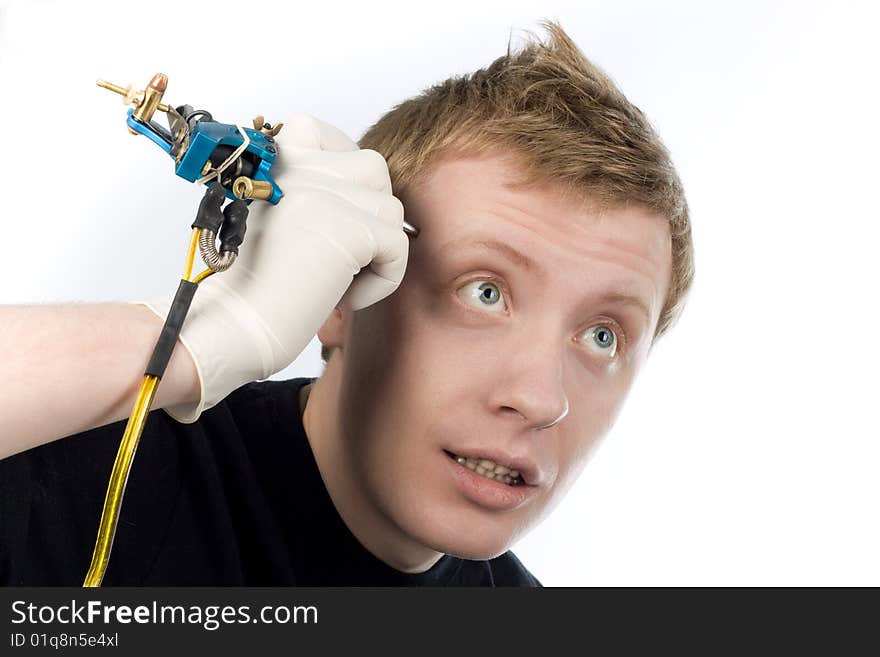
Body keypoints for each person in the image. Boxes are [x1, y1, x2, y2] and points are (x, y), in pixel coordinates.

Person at [0, 20, 693, 585]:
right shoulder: (79, 477)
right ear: (340, 295)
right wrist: (190, 341)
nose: (542, 398)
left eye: (603, 336)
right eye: (485, 292)